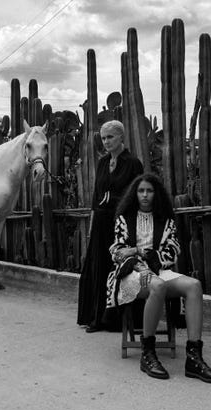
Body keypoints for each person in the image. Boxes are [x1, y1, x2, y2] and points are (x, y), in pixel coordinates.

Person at [106, 173, 211, 384]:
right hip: (131, 274)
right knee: (158, 286)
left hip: (159, 271)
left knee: (194, 286)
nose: (144, 195)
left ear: (156, 193)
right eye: (141, 190)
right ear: (135, 193)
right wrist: (140, 259)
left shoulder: (166, 221)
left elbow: (172, 252)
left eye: (149, 191)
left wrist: (139, 251)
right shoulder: (124, 219)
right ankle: (148, 354)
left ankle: (194, 359)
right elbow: (118, 252)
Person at [77, 120, 144, 333]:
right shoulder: (103, 163)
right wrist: (92, 221)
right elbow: (97, 196)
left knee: (119, 268)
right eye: (103, 138)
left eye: (110, 137)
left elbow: (136, 196)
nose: (106, 142)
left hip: (122, 222)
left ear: (121, 137)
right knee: (99, 266)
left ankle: (119, 320)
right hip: (101, 222)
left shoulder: (133, 163)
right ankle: (97, 318)